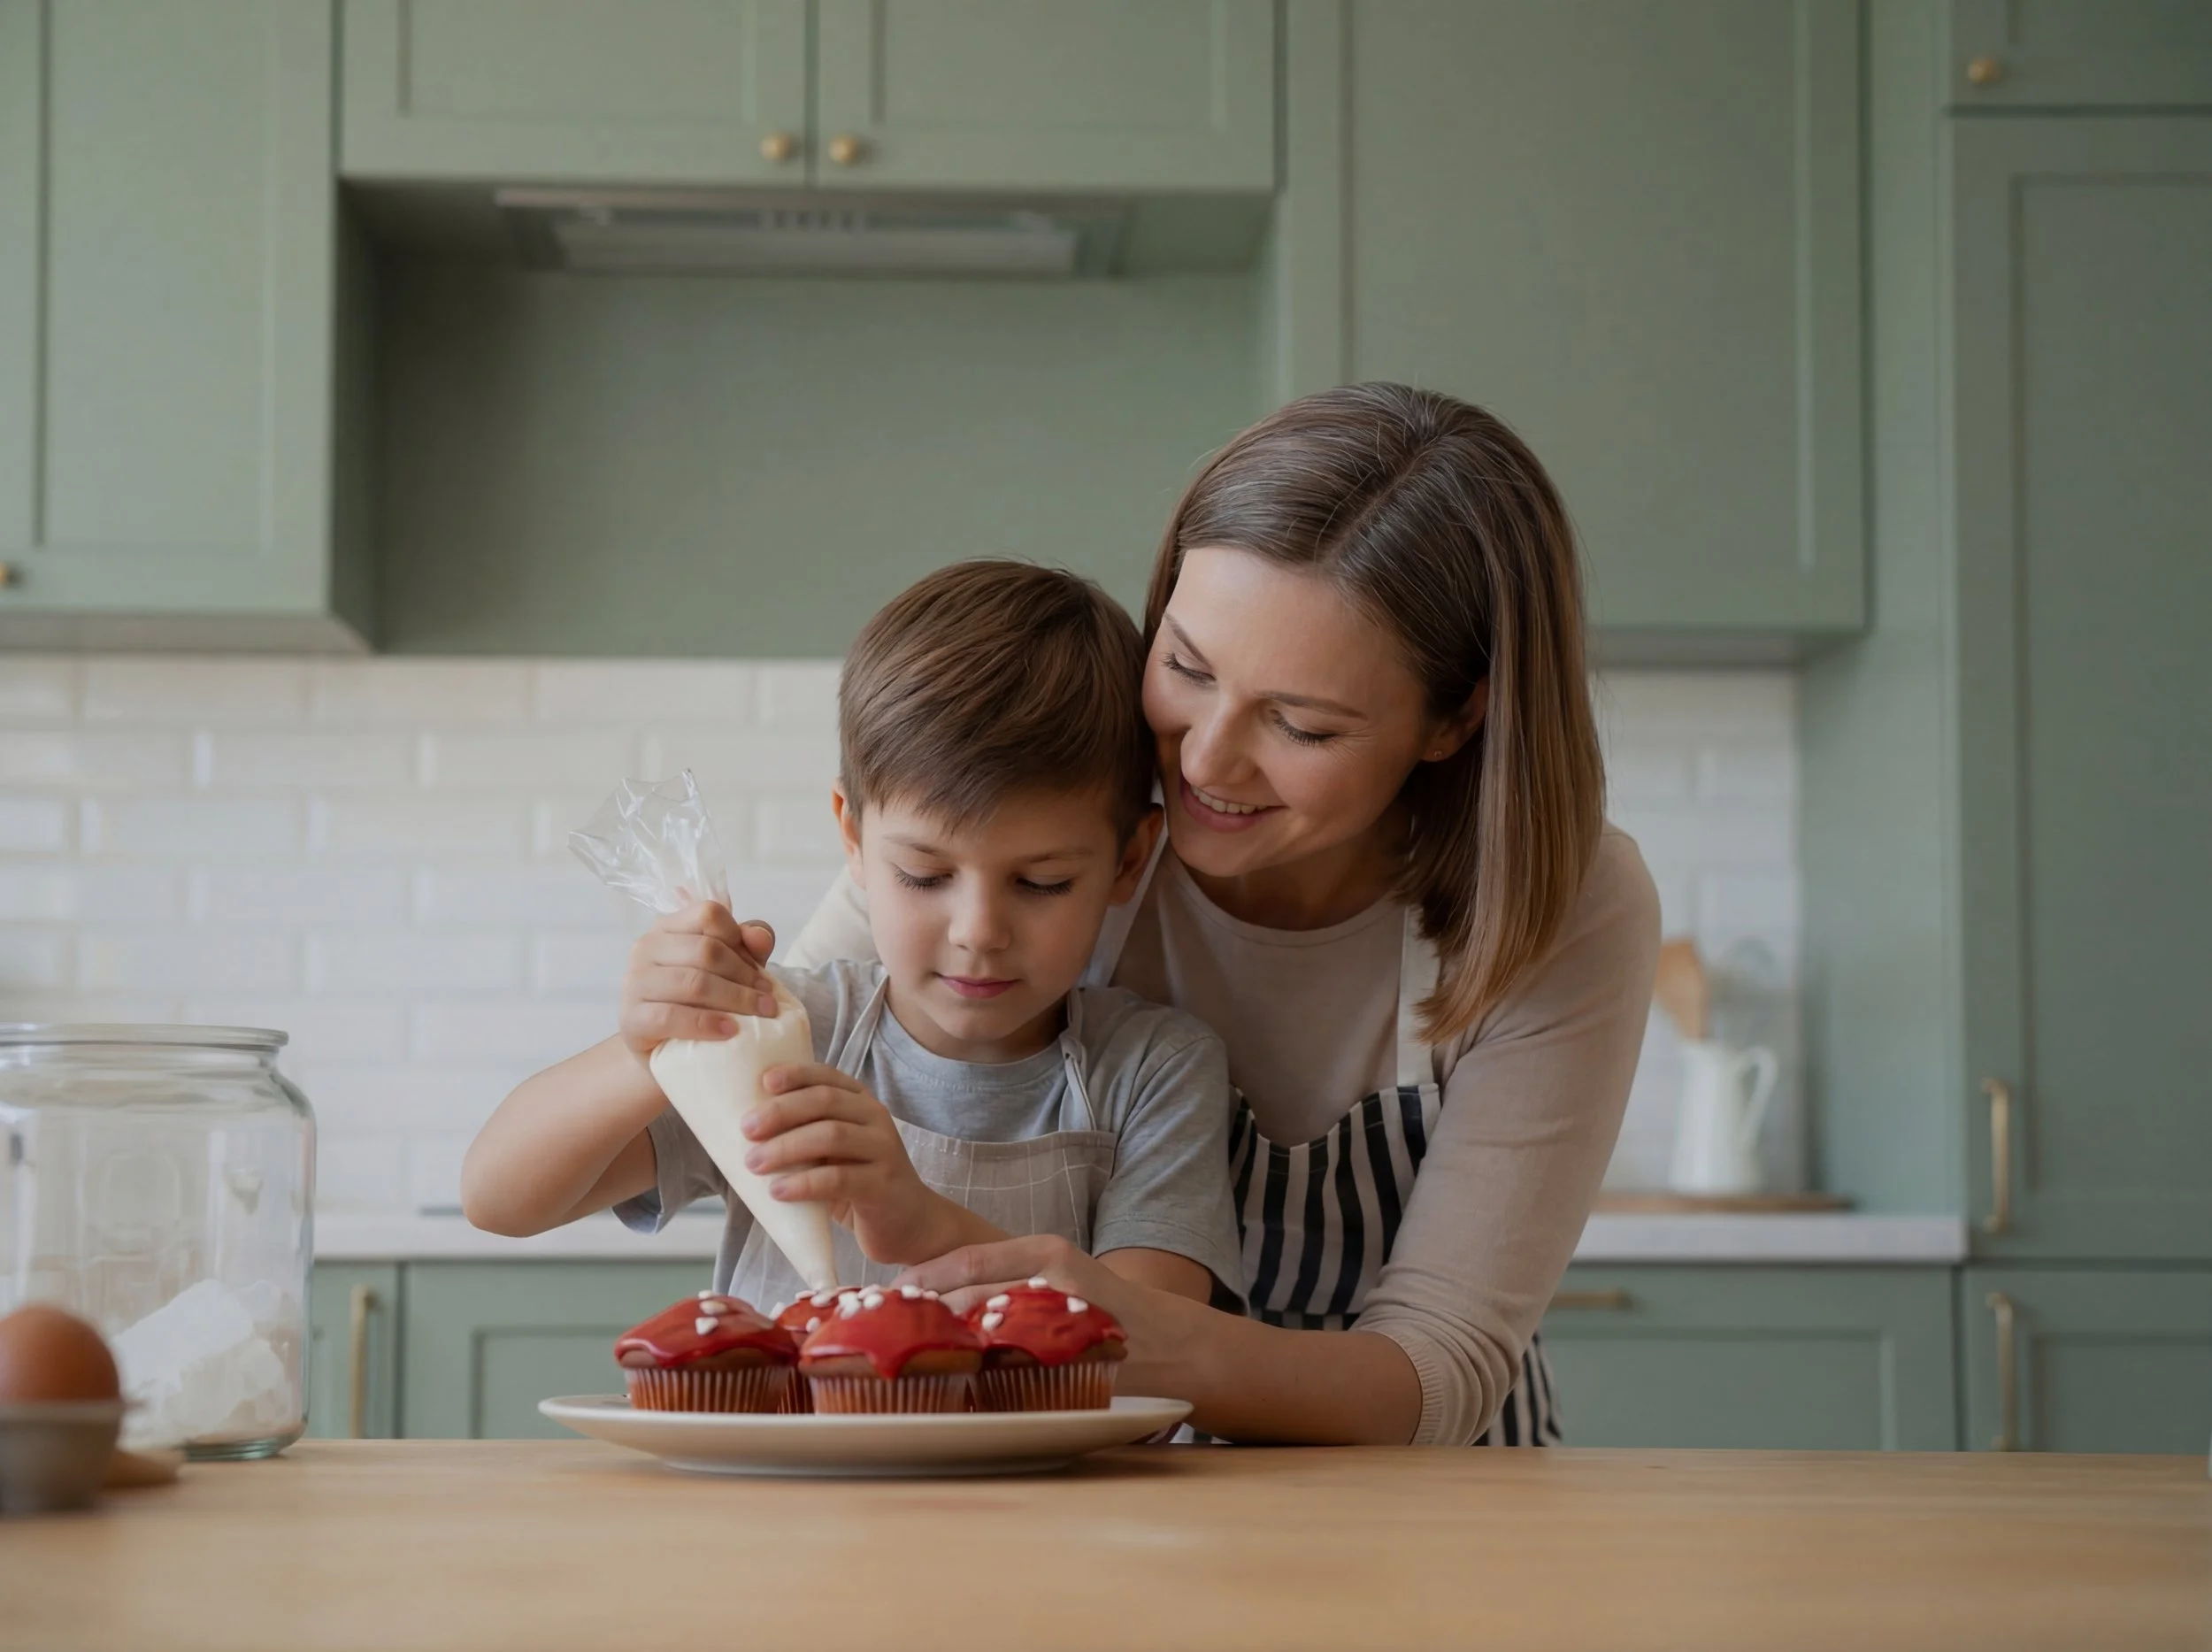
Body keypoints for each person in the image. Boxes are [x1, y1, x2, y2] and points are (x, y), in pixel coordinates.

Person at [782, 384, 1661, 1447]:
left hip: (1436, 1514)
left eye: (1300, 724)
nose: (1202, 761)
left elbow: (1439, 1370)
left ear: (1455, 718)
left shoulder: (1561, 904)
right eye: (1187, 667)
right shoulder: (1044, 830)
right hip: (1122, 1492)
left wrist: (1112, 1331)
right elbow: (787, 1065)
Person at [461, 562, 1243, 1310]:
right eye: (925, 875)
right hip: (782, 1455)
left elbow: (1150, 1344)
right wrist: (644, 1052)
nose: (978, 933)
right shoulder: (789, 1036)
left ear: (1130, 860)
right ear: (853, 836)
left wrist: (925, 1222)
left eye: (1041, 883)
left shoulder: (1153, 1073)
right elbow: (498, 1199)